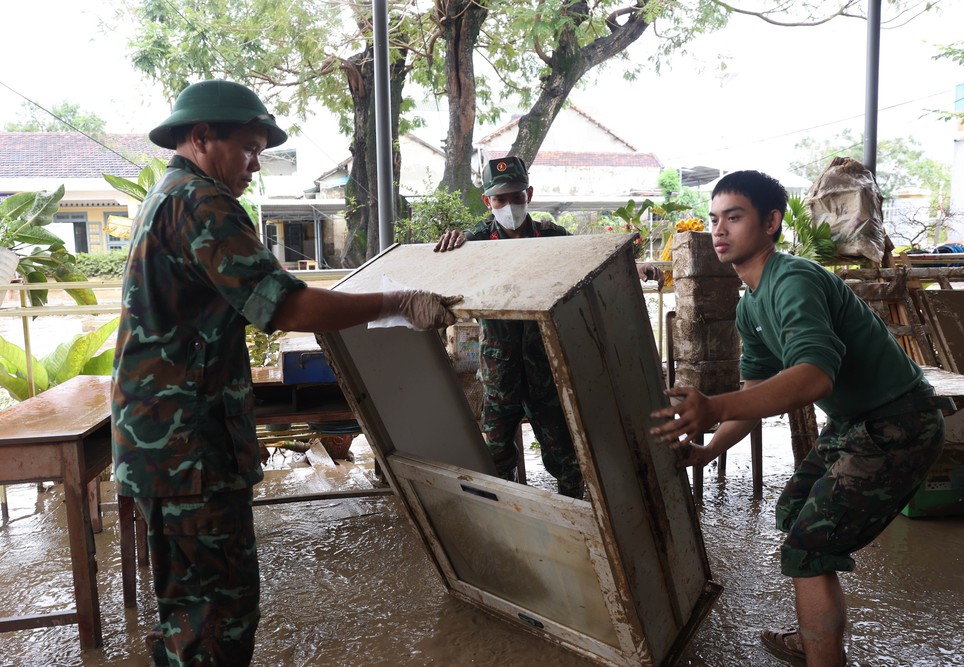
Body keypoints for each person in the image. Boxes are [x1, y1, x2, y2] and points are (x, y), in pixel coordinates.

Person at [111, 79, 460, 667]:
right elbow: (289, 306)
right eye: (248, 148)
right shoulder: (201, 201)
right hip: (188, 448)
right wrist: (397, 302)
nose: (255, 165)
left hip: (165, 444)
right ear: (201, 137)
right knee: (217, 618)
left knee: (188, 610)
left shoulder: (168, 194)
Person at [648, 170, 949, 667]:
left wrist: (713, 406)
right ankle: (816, 636)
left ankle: (821, 655)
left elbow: (813, 379)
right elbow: (754, 396)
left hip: (901, 422)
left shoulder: (793, 280)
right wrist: (707, 450)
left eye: (735, 217)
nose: (719, 230)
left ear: (771, 222)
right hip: (856, 424)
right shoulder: (750, 307)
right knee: (794, 514)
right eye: (714, 218)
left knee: (808, 549)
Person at [435, 155, 664, 498]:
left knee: (566, 457)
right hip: (499, 372)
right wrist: (449, 248)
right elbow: (440, 278)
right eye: (501, 198)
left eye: (516, 196)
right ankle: (504, 520)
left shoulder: (553, 237)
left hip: (548, 368)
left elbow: (593, 261)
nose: (509, 205)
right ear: (488, 201)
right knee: (495, 457)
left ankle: (576, 520)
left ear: (529, 193)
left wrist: (637, 266)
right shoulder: (474, 244)